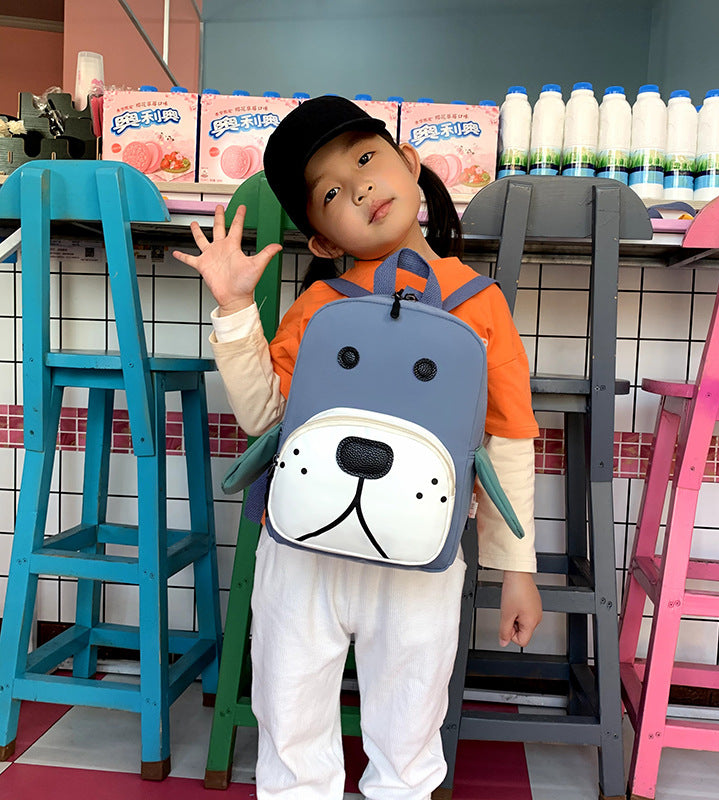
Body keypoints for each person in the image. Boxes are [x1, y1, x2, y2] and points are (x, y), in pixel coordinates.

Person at [174, 95, 542, 800]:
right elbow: (265, 417)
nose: (361, 187)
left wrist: (515, 569)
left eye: (367, 158)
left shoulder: (482, 303)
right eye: (331, 193)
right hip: (302, 555)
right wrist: (235, 309)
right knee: (288, 713)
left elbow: (509, 440)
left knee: (410, 726)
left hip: (420, 560)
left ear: (409, 160)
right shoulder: (319, 306)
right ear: (321, 240)